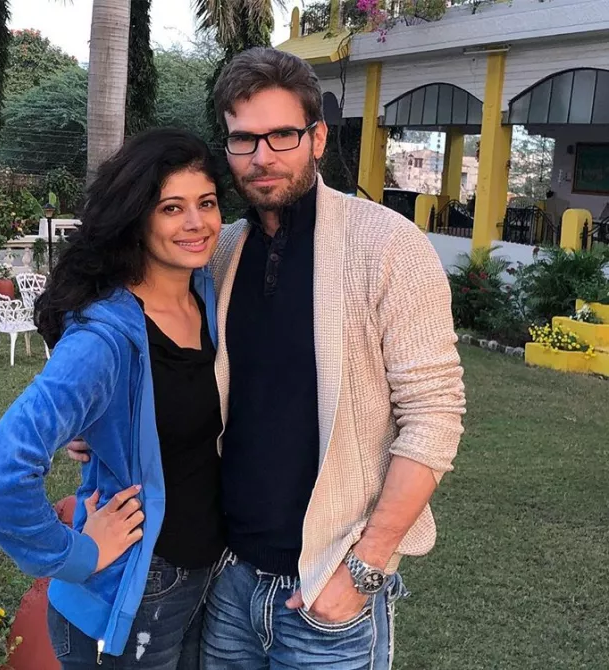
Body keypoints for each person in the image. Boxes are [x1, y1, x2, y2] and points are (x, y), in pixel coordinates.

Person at [70, 47, 466, 669]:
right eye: (244, 139)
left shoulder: (388, 246)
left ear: (318, 138)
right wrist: (105, 418)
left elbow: (434, 416)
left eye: (282, 135)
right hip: (227, 581)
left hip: (329, 585)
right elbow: (170, 359)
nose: (262, 157)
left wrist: (364, 569)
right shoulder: (221, 252)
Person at [0, 128, 226, 669]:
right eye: (171, 208)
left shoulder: (205, 296)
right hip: (134, 590)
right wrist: (77, 553)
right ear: (137, 219)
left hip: (202, 580)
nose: (196, 222)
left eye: (206, 203)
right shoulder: (102, 341)